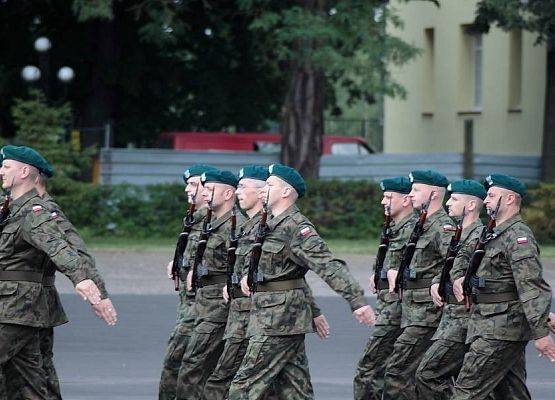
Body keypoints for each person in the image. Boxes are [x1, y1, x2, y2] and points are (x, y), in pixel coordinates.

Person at [228, 163, 375, 400]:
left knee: (242, 389)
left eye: (270, 185)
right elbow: (288, 274)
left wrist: (357, 302)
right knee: (295, 390)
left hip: (278, 321)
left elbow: (327, 265)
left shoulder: (297, 227)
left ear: (286, 192)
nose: (264, 189)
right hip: (274, 316)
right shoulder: (270, 225)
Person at [204, 165, 329, 400]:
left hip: (265, 316)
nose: (239, 191)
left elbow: (292, 274)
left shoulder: (279, 227)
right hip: (249, 316)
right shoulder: (256, 228)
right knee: (289, 387)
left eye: (243, 186)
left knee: (237, 384)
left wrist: (315, 309)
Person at [0, 145, 102, 399]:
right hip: (13, 307)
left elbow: (61, 248)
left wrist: (84, 280)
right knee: (31, 382)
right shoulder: (11, 210)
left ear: (24, 172)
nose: (1, 171)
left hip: (17, 308)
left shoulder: (34, 212)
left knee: (30, 379)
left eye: (6, 166)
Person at [450, 174, 555, 400]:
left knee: (465, 392)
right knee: (510, 393)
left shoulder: (518, 237)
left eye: (491, 195)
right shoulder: (493, 231)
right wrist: (458, 277)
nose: (485, 200)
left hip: (501, 329)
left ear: (509, 199)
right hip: (488, 322)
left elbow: (531, 286)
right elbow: (466, 255)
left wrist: (541, 334)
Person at [382, 169, 454, 400]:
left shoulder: (442, 227)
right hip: (412, 310)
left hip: (427, 313)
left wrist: (435, 282)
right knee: (416, 375)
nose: (410, 195)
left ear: (433, 194)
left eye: (416, 190)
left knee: (398, 371)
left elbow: (454, 263)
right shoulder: (420, 224)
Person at [177, 169, 245, 399]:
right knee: (204, 367)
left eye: (209, 189)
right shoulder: (210, 222)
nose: (203, 194)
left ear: (228, 194)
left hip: (220, 305)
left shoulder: (236, 225)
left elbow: (246, 263)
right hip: (203, 302)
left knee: (194, 363)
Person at [415, 179, 486, 399]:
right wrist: (438, 280)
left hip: (465, 319)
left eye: (455, 199)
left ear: (471, 205)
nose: (448, 204)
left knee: (428, 374)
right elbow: (451, 265)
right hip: (451, 318)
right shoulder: (459, 233)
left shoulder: (479, 235)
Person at [353, 176, 415, 400]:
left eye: (389, 197)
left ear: (407, 200)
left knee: (369, 370)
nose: (383, 201)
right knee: (391, 373)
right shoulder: (395, 228)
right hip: (390, 308)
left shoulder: (413, 230)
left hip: (399, 311)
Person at [159, 164, 217, 400]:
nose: (187, 190)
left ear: (208, 189)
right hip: (188, 304)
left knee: (179, 363)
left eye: (193, 184)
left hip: (203, 307)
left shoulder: (219, 221)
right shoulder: (194, 219)